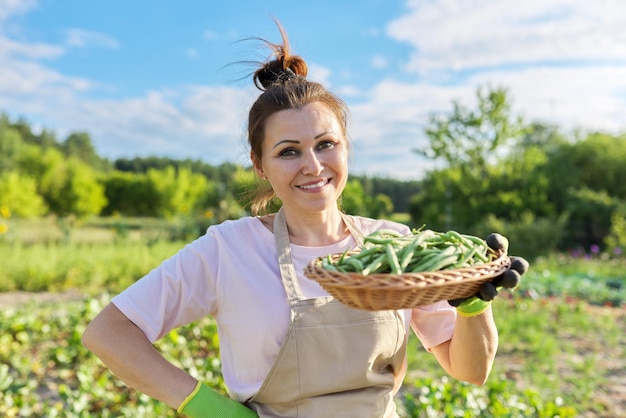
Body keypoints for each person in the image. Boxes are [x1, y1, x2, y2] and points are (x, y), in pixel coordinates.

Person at [82, 20, 527, 418]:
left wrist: (473, 304)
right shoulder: (228, 250)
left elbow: (470, 371)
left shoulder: (397, 247)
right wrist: (206, 406)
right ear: (261, 166)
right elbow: (109, 332)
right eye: (288, 152)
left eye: (326, 144)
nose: (313, 166)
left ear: (346, 148)